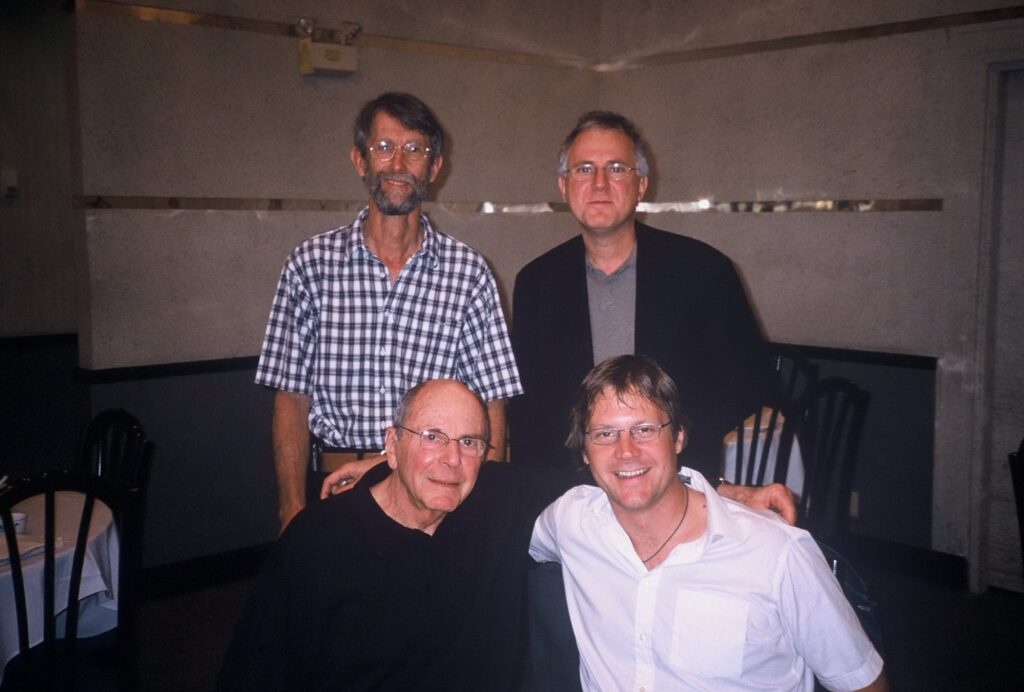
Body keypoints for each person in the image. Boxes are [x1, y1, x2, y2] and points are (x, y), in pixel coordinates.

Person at [219, 379, 796, 691]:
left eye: (469, 442)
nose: (451, 460)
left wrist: (727, 491)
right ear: (391, 447)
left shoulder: (496, 499)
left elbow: (622, 473)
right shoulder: (318, 541)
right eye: (432, 438)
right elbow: (253, 674)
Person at [530, 355, 887, 691]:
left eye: (645, 429)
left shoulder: (776, 552)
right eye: (605, 434)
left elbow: (863, 682)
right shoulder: (572, 520)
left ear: (679, 437)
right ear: (584, 451)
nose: (626, 450)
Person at [256, 92, 522, 530]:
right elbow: (291, 398)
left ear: (435, 168)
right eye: (384, 147)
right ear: (360, 160)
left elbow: (491, 402)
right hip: (334, 489)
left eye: (414, 149)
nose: (398, 163)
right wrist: (290, 508)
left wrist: (485, 508)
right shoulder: (310, 266)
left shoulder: (469, 273)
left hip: (436, 493)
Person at [510, 111, 770, 478]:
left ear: (642, 185)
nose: (599, 183)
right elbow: (527, 406)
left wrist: (666, 440)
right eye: (584, 169)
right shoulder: (536, 283)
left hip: (676, 485)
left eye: (617, 168)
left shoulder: (704, 270)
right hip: (572, 491)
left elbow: (748, 381)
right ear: (563, 186)